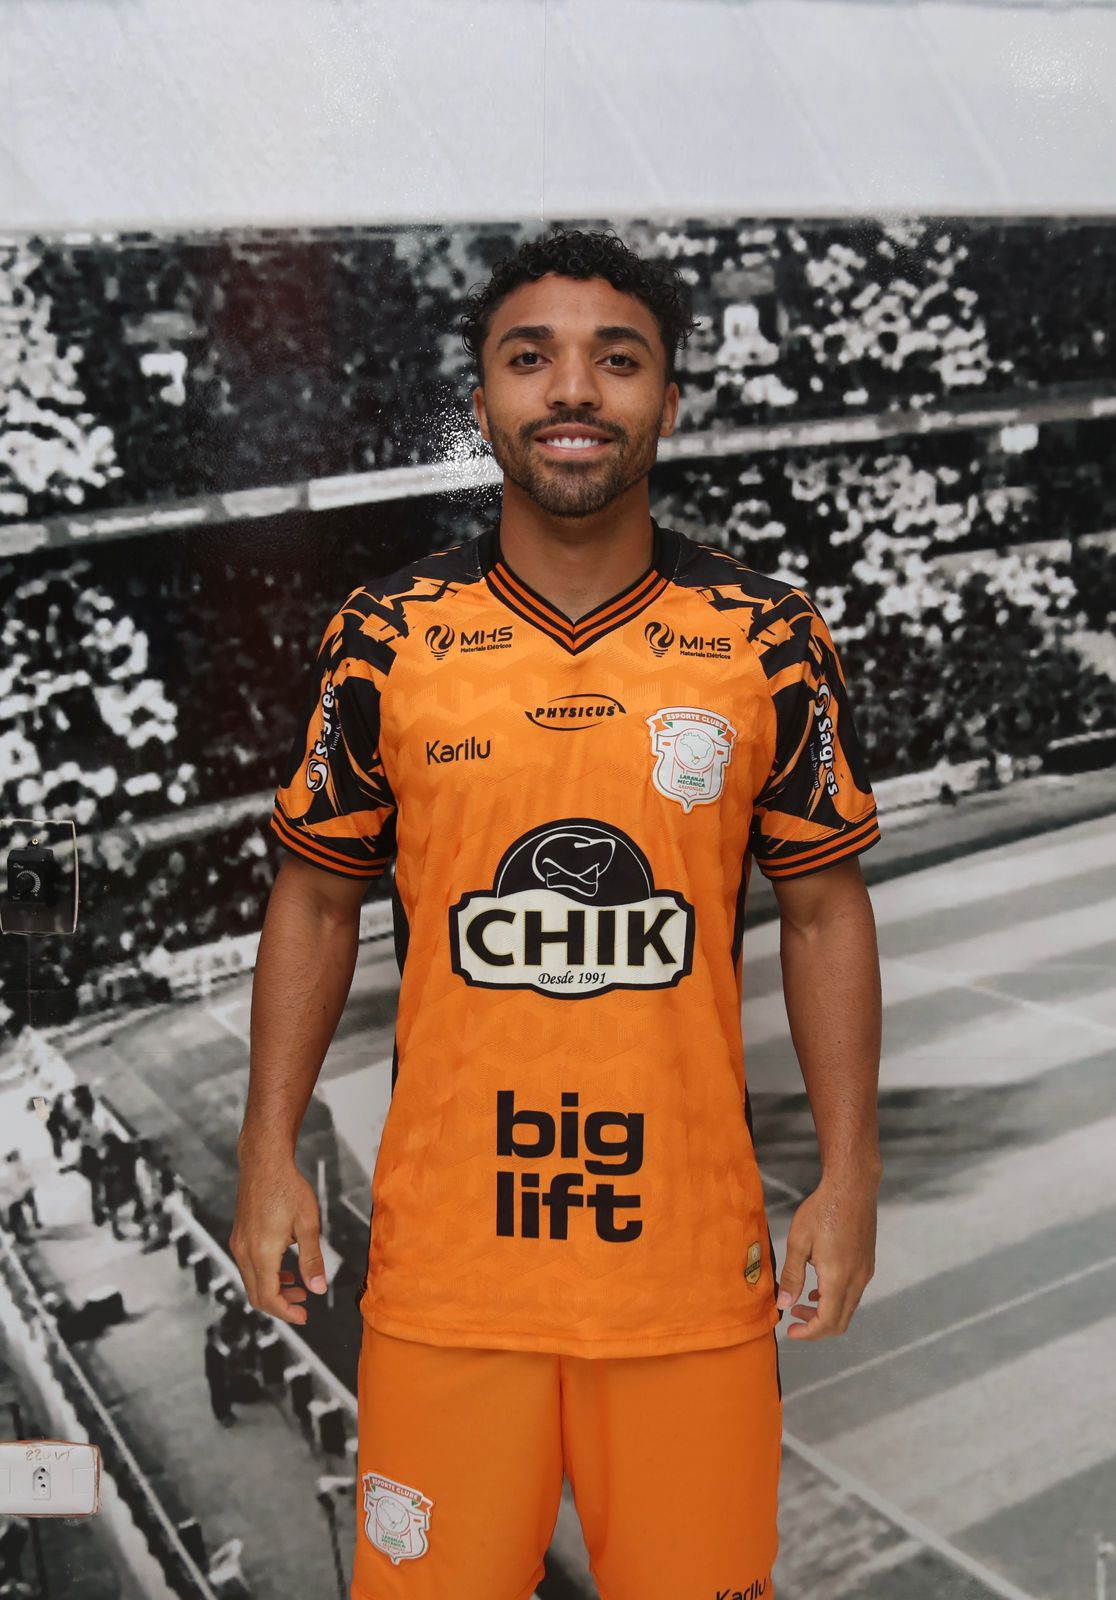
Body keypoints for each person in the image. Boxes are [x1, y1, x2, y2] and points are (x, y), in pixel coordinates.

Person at [231, 228, 884, 1600]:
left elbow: (824, 909)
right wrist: (268, 1151)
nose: (574, 389)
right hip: (448, 1281)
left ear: (670, 401)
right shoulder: (387, 635)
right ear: (483, 402)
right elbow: (317, 898)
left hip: (688, 1281)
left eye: (618, 359)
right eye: (531, 358)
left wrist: (849, 1172)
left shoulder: (765, 634)